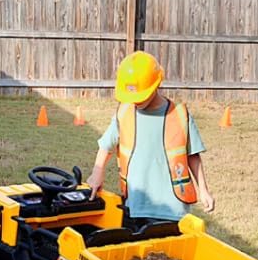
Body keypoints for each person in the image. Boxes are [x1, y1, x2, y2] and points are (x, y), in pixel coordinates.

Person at [88, 50, 215, 222]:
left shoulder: (179, 115)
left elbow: (193, 155)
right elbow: (106, 146)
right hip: (136, 206)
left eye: (140, 96)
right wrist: (97, 173)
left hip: (173, 209)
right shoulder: (124, 113)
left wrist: (204, 190)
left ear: (156, 85)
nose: (136, 101)